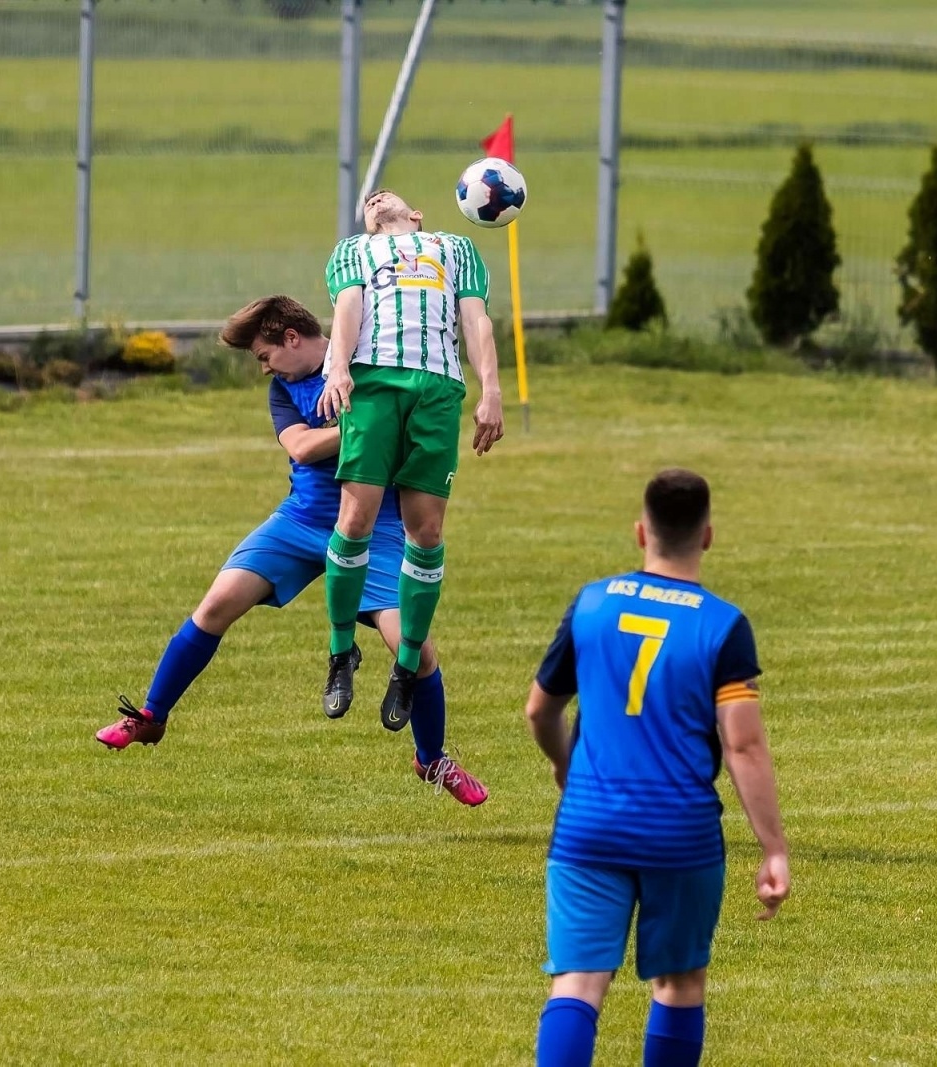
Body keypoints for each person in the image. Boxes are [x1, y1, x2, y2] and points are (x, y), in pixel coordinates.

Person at [97, 295, 487, 807]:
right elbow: (301, 447)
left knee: (416, 649)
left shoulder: (370, 360)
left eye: (264, 355)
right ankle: (151, 717)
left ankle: (431, 758)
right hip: (301, 521)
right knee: (215, 605)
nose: (264, 369)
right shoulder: (284, 390)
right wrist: (366, 427)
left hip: (376, 528)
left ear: (291, 337)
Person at [524, 470, 790, 1067]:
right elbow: (743, 747)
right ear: (708, 537)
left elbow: (540, 710)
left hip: (590, 823)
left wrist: (568, 768)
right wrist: (772, 847)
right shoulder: (723, 627)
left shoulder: (592, 604)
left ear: (640, 532)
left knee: (577, 983)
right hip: (681, 832)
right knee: (678, 985)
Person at [316, 189, 505, 731]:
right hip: (373, 383)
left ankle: (405, 666)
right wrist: (339, 367)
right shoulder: (353, 249)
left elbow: (476, 320)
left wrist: (490, 389)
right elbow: (348, 306)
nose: (373, 199)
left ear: (418, 214)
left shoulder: (455, 248)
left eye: (383, 196)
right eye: (366, 203)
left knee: (425, 534)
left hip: (438, 391)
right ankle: (340, 653)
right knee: (354, 521)